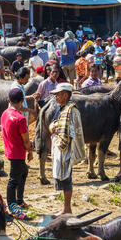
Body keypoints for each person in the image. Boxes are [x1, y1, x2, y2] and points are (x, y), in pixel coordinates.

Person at [49, 83, 86, 217]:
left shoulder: (71, 110)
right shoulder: (63, 109)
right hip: (61, 148)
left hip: (66, 149)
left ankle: (67, 208)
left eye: (58, 94)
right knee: (63, 177)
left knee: (67, 178)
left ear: (65, 95)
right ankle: (64, 207)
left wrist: (54, 127)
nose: (56, 97)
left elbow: (71, 132)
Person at [1, 88, 33, 219]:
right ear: (22, 102)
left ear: (9, 101)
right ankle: (13, 207)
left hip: (9, 150)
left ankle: (19, 200)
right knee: (13, 180)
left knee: (24, 171)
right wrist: (30, 151)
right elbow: (26, 140)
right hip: (18, 153)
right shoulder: (20, 119)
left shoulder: (5, 113)